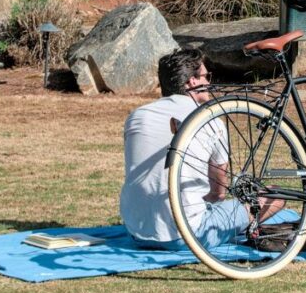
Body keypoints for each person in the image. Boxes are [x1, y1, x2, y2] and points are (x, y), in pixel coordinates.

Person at [119, 49, 281, 250]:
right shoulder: (210, 118)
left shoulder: (137, 116)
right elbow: (218, 193)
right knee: (277, 195)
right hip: (187, 235)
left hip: (137, 231)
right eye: (206, 77)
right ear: (192, 82)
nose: (209, 83)